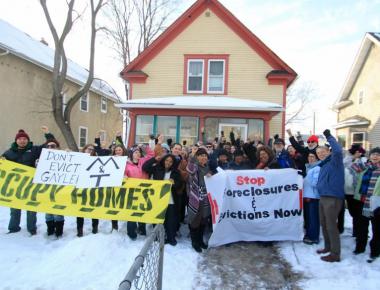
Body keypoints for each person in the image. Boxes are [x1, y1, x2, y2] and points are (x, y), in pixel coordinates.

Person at [2, 126, 54, 235]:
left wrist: (47, 134)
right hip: (15, 186)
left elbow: (50, 144)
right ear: (16, 141)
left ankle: (32, 228)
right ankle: (13, 228)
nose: (22, 141)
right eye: (20, 139)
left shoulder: (35, 150)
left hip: (31, 185)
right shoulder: (9, 153)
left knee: (31, 208)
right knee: (15, 209)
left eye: (24, 139)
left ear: (27, 140)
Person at [316, 129, 344, 262]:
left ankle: (335, 253)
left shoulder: (335, 161)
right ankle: (328, 246)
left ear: (328, 152)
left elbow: (338, 150)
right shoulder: (322, 165)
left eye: (323, 152)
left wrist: (329, 136)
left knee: (331, 225)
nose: (320, 154)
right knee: (324, 223)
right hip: (323, 197)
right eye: (318, 153)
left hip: (333, 198)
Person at [143, 154, 183, 246]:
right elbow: (145, 167)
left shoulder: (176, 172)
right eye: (166, 160)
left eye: (170, 161)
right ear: (163, 160)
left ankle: (171, 238)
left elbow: (180, 185)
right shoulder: (157, 168)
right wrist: (154, 159)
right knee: (157, 221)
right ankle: (157, 237)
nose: (168, 163)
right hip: (158, 201)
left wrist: (174, 183)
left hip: (171, 201)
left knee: (170, 221)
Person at [351, 147, 380, 262]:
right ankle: (360, 247)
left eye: (378, 154)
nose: (375, 156)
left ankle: (375, 251)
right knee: (361, 227)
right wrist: (356, 158)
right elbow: (351, 167)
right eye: (373, 154)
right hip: (362, 201)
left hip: (376, 204)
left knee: (377, 229)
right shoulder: (365, 167)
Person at [124, 139, 156, 240]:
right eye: (135, 152)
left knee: (142, 210)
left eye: (139, 152)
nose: (138, 154)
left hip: (144, 191)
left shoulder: (143, 161)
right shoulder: (127, 165)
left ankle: (142, 230)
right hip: (132, 192)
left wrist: (144, 147)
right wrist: (124, 176)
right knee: (132, 212)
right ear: (131, 154)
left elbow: (152, 154)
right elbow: (123, 174)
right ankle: (131, 233)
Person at [187, 147, 212, 252]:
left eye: (205, 156)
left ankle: (201, 240)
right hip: (196, 198)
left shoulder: (208, 168)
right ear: (197, 157)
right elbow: (190, 169)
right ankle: (195, 242)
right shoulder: (195, 167)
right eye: (201, 155)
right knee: (195, 221)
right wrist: (192, 156)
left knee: (203, 221)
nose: (203, 157)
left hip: (206, 199)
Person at [43, 138, 65, 238]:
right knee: (48, 212)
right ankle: (50, 230)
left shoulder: (64, 157)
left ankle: (59, 231)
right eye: (48, 146)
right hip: (46, 189)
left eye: (53, 146)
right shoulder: (41, 158)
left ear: (57, 147)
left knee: (58, 212)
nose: (50, 148)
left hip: (60, 190)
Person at [344, 144, 367, 237]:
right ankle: (355, 230)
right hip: (347, 191)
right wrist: (352, 157)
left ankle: (359, 232)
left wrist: (356, 159)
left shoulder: (363, 161)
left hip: (357, 192)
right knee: (352, 212)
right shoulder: (348, 160)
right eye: (355, 151)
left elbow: (361, 169)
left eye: (359, 151)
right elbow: (343, 165)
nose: (357, 153)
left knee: (359, 213)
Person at [76, 144, 99, 237]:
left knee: (94, 209)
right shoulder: (78, 158)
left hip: (93, 187)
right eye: (89, 149)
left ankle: (95, 228)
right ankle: (80, 230)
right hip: (81, 188)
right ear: (84, 149)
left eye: (92, 150)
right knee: (80, 210)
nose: (90, 151)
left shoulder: (97, 160)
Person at [303, 152, 321, 245]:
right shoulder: (309, 168)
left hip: (313, 196)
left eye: (312, 157)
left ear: (317, 159)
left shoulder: (317, 168)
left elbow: (315, 183)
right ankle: (309, 234)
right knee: (309, 217)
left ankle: (314, 237)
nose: (310, 158)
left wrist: (304, 181)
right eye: (309, 156)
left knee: (313, 218)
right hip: (307, 196)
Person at [110, 144, 128, 232]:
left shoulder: (128, 161)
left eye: (119, 150)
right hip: (113, 185)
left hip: (125, 185)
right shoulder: (110, 160)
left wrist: (126, 175)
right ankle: (114, 226)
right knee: (114, 205)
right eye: (116, 150)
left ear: (123, 151)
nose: (117, 152)